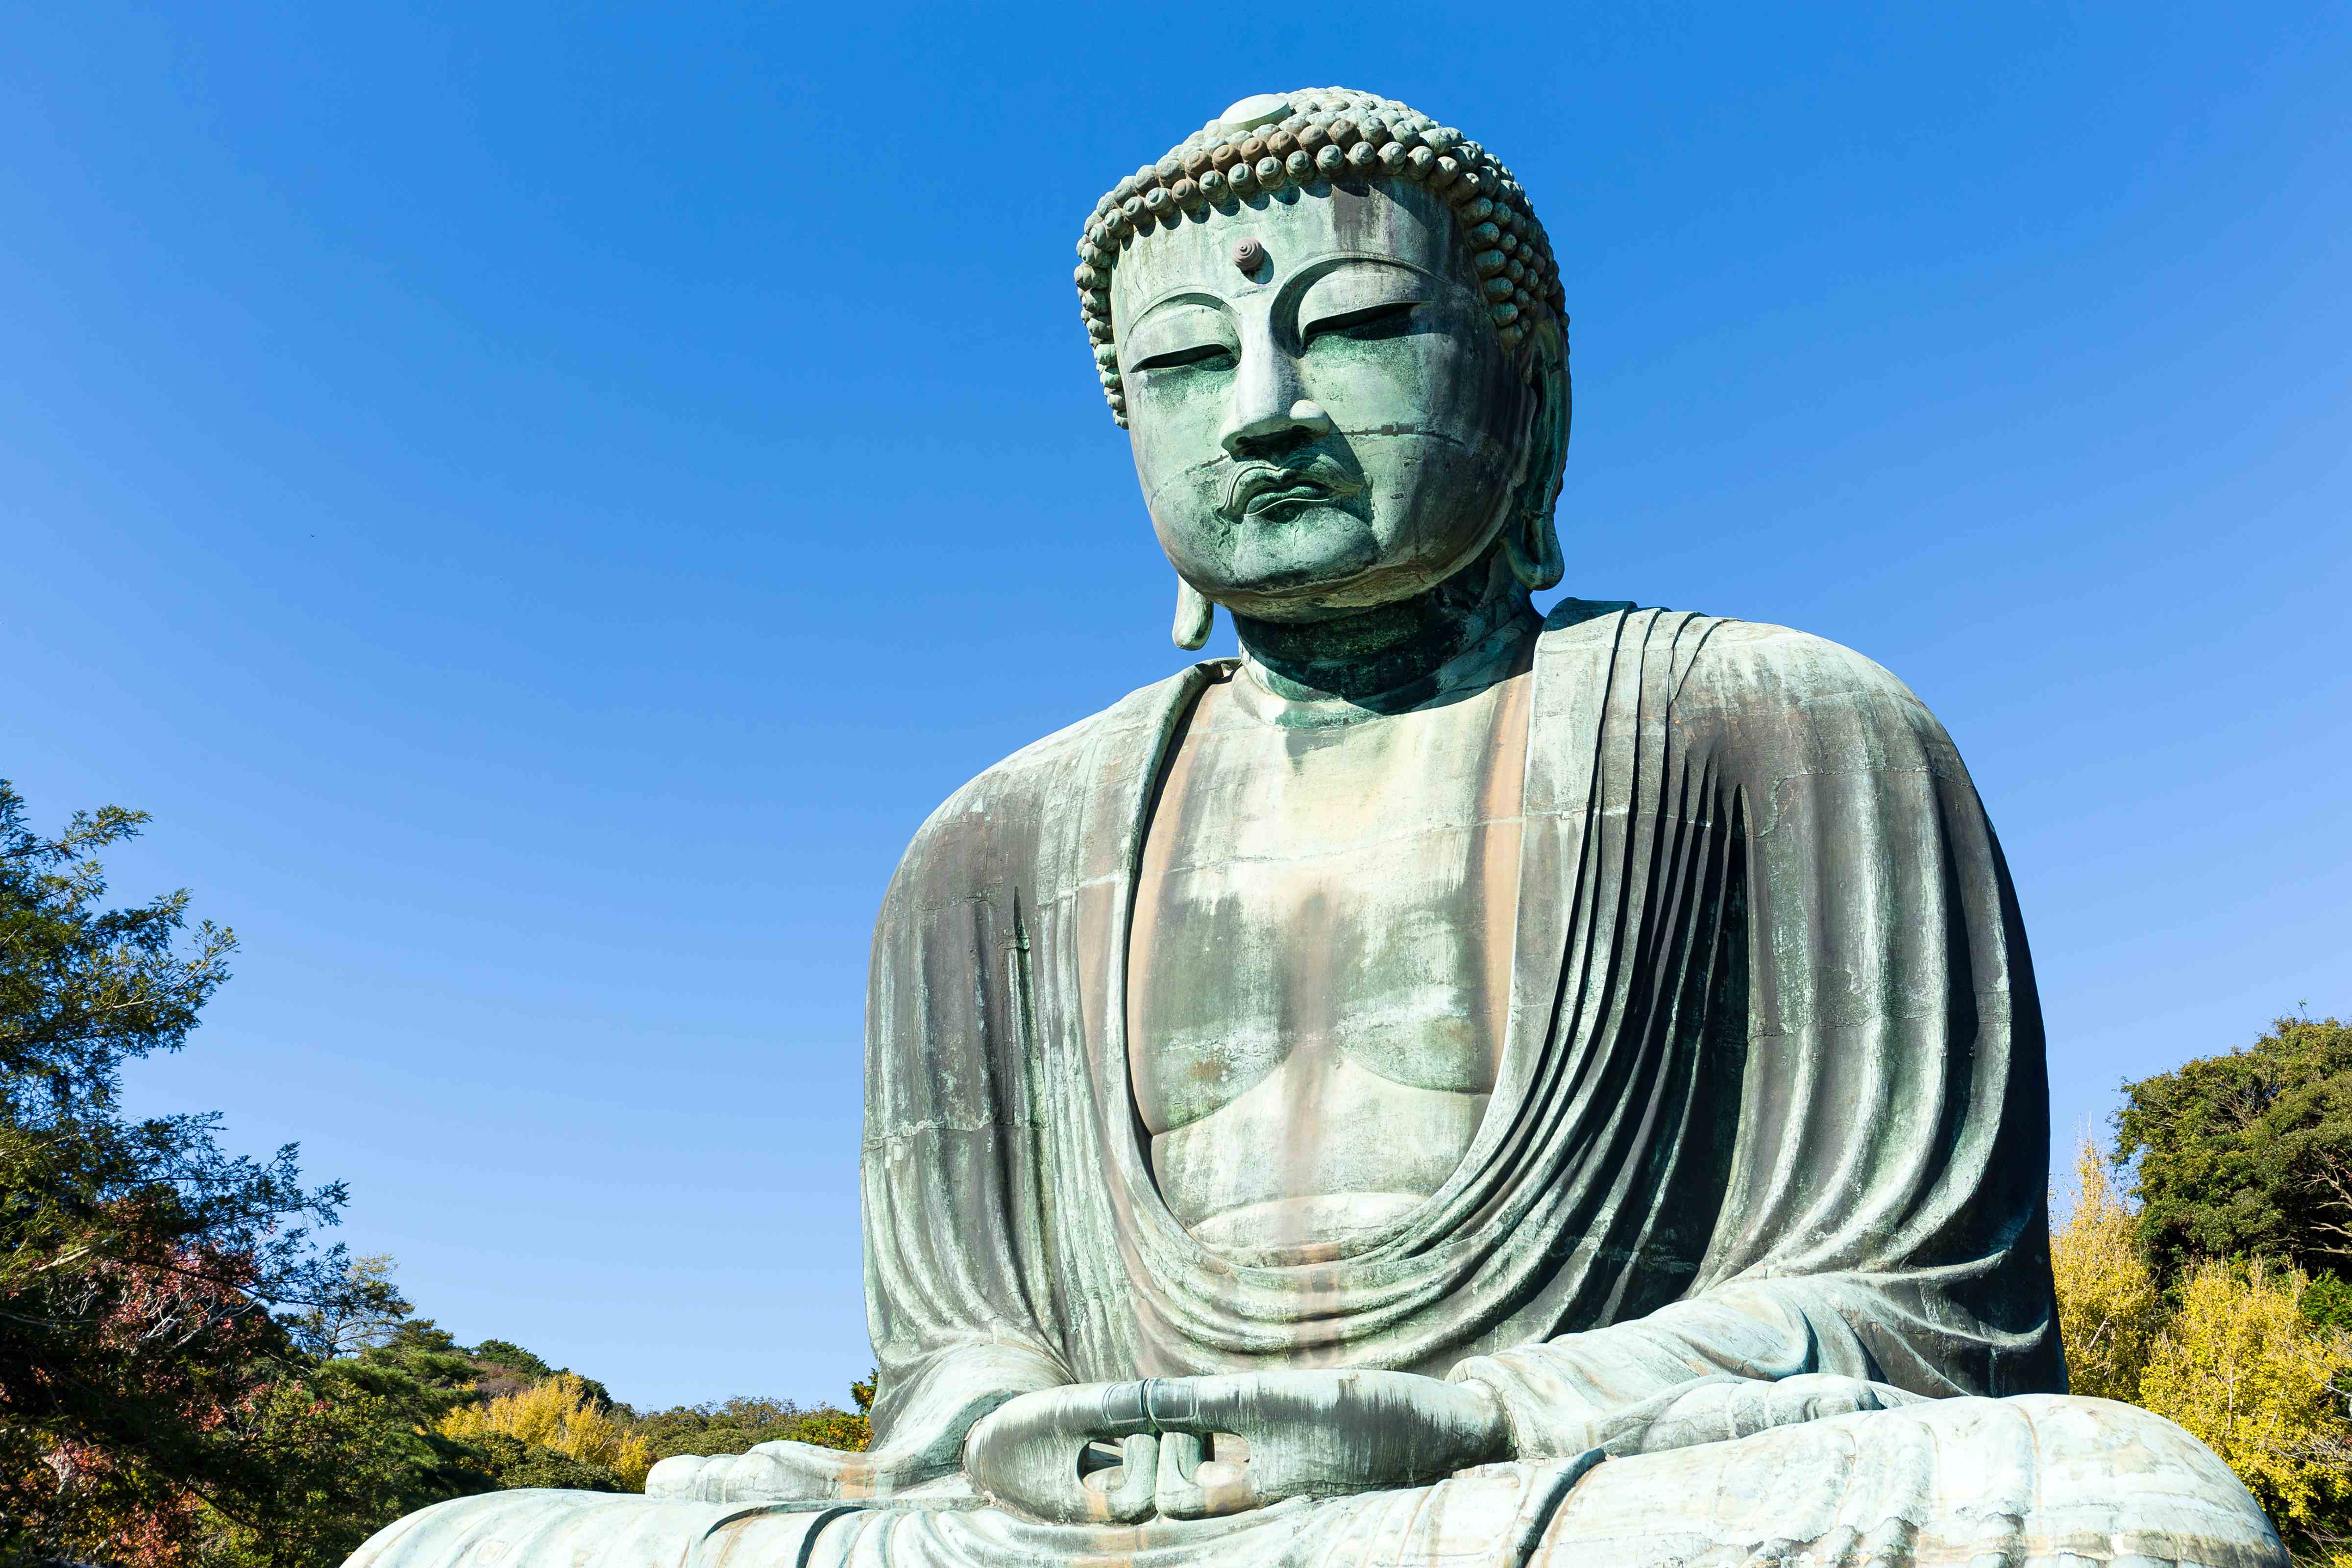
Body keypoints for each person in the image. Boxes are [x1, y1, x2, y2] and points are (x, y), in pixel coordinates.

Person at [350, 88, 2284, 1568]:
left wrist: (1458, 1420)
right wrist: (1018, 1432)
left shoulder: (1779, 724)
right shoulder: (989, 849)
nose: (1263, 410)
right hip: (1088, 1525)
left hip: (1554, 1486)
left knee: (2115, 1511)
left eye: (1349, 326)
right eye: (1187, 364)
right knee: (447, 1549)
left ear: (1528, 396)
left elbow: (1921, 1318)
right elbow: (953, 1364)